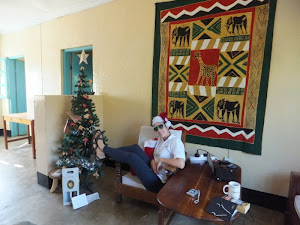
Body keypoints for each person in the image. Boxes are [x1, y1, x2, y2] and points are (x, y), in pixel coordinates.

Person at [94, 113, 186, 193]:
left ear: (166, 125)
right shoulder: (161, 139)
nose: (159, 130)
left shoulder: (175, 142)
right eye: (156, 128)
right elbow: (156, 156)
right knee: (135, 148)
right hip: (152, 170)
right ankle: (103, 154)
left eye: (161, 126)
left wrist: (162, 160)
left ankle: (103, 149)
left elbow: (181, 164)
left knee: (132, 157)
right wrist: (153, 161)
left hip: (158, 182)